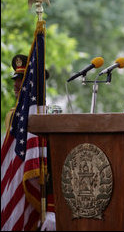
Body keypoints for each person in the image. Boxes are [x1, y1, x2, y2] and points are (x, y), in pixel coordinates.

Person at [4, 54, 55, 231]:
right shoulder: (13, 116)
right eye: (15, 79)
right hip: (16, 199)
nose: (16, 85)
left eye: (22, 79)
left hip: (42, 202)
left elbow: (53, 164)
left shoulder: (47, 118)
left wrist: (51, 208)